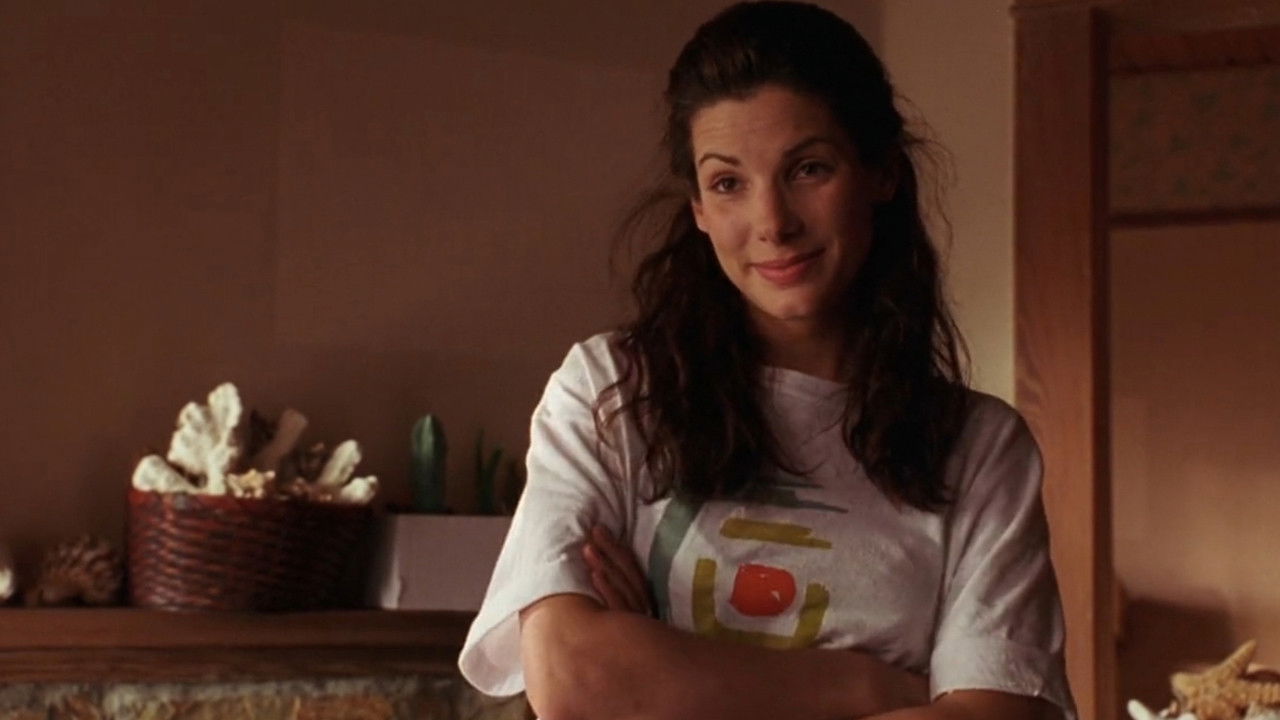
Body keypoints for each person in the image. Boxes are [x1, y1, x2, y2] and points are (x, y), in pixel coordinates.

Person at [459, 3, 1076, 719]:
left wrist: (664, 673)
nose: (773, 223)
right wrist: (869, 687)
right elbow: (575, 678)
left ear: (881, 172)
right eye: (728, 183)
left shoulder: (979, 448)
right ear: (697, 206)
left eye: (808, 169)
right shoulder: (611, 391)